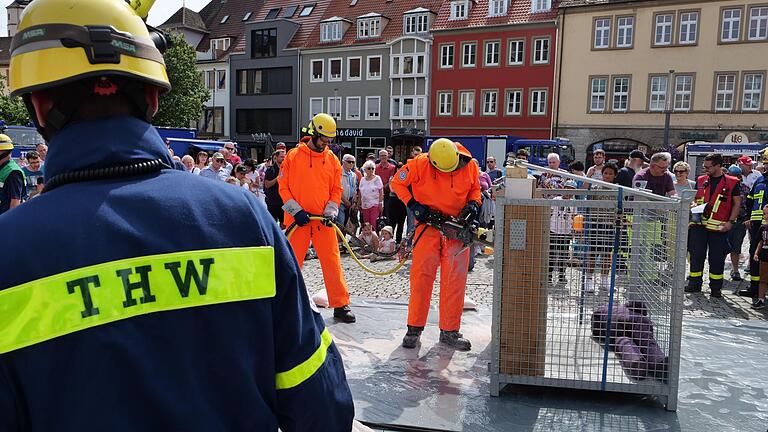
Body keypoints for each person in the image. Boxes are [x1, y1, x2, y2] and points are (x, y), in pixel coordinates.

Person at [0, 1, 354, 429]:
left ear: (37, 105)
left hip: (322, 221)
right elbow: (322, 405)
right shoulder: (244, 220)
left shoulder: (9, 254)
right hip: (300, 223)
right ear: (152, 96)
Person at [391, 138, 481, 351]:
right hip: (428, 227)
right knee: (421, 279)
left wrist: (473, 204)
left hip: (457, 229)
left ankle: (450, 331)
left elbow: (475, 190)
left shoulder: (470, 165)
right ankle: (414, 328)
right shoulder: (418, 164)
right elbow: (397, 183)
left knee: (454, 282)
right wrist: (413, 205)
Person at [279, 113, 356, 323]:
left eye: (330, 140)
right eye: (323, 139)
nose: (326, 144)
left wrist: (331, 211)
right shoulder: (293, 156)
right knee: (291, 263)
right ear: (313, 133)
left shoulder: (331, 159)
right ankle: (285, 304)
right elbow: (283, 187)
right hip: (298, 222)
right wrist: (296, 211)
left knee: (332, 261)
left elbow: (336, 189)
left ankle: (340, 305)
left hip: (323, 221)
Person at [686, 154, 742, 298]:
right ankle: (694, 283)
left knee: (716, 258)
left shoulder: (732, 182)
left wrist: (731, 222)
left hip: (719, 227)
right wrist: (693, 205)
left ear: (718, 165)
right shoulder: (701, 180)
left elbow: (737, 204)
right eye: (704, 166)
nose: (705, 169)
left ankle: (715, 288)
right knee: (696, 255)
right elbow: (696, 198)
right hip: (699, 224)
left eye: (708, 167)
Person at [743, 155, 768, 298]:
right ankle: (754, 286)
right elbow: (750, 200)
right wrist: (747, 217)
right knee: (755, 254)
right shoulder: (760, 180)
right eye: (765, 165)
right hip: (757, 224)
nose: (766, 168)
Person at [549, 179, 577, 284]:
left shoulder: (574, 203)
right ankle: (549, 275)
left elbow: (574, 217)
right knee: (551, 254)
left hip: (566, 231)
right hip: (554, 230)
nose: (569, 192)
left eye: (572, 190)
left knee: (563, 254)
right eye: (567, 189)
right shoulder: (556, 199)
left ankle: (561, 275)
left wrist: (574, 230)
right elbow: (550, 212)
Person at [726, 165, 750, 281]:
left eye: (736, 177)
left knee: (736, 247)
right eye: (731, 176)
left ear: (740, 177)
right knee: (721, 247)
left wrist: (747, 218)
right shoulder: (724, 188)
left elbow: (748, 205)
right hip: (724, 221)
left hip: (739, 222)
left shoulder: (745, 189)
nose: (734, 179)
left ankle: (735, 270)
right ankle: (717, 270)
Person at [0, 134, 23, 215]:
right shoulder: (2, 168)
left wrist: (8, 225)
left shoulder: (13, 172)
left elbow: (15, 202)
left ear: (2, 152)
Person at [751, 204, 768, 309]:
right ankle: (761, 299)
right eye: (764, 214)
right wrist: (756, 253)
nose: (766, 216)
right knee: (763, 279)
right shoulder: (763, 228)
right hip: (764, 256)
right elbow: (760, 242)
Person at [359, 160, 384, 231]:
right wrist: (358, 204)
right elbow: (360, 192)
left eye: (373, 168)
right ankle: (367, 240)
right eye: (369, 168)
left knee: (373, 224)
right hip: (364, 205)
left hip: (374, 204)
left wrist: (381, 203)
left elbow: (381, 191)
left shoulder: (377, 178)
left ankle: (374, 240)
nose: (371, 170)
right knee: (366, 224)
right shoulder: (362, 179)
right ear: (365, 169)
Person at [264, 150, 286, 225]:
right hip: (272, 202)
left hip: (284, 201)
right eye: (281, 157)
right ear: (275, 158)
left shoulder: (287, 169)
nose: (283, 158)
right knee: (272, 224)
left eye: (284, 157)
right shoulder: (270, 170)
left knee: (284, 224)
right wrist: (278, 178)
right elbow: (267, 185)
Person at [375, 149, 397, 224]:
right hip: (376, 195)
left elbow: (391, 181)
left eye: (385, 155)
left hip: (388, 194)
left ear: (388, 157)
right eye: (381, 155)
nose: (383, 157)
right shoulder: (375, 167)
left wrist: (382, 189)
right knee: (377, 215)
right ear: (379, 157)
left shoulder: (393, 167)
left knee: (387, 214)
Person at [339, 154, 359, 228]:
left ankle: (342, 239)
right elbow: (337, 189)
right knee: (340, 224)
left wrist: (354, 201)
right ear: (343, 162)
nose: (351, 164)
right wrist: (345, 201)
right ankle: (338, 240)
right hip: (340, 202)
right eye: (349, 162)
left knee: (346, 225)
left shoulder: (353, 175)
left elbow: (355, 188)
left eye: (353, 162)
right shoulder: (338, 173)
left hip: (350, 202)